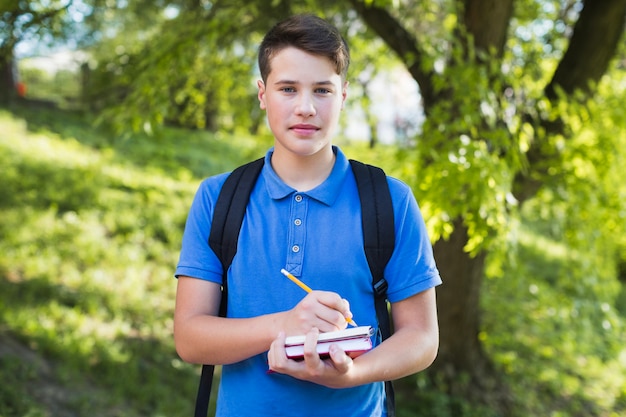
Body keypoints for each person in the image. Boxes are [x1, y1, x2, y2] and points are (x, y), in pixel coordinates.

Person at [174, 14, 441, 416]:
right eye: (287, 89)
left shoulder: (390, 201)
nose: (305, 107)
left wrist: (351, 373)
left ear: (344, 95)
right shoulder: (219, 197)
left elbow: (421, 337)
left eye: (322, 90)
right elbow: (190, 338)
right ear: (262, 93)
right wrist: (284, 324)